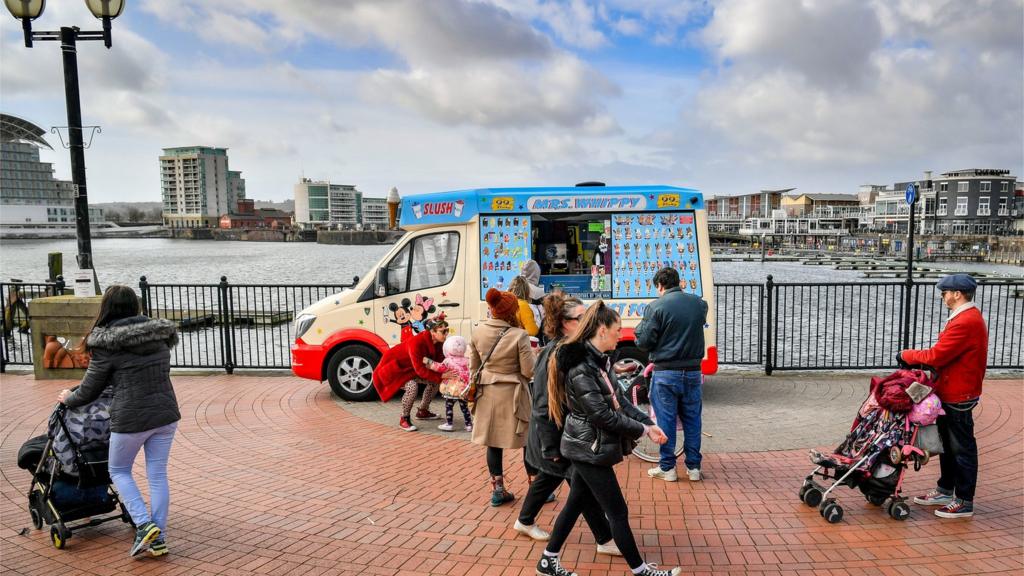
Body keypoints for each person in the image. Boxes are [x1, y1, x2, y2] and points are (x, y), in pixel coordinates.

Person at [537, 301, 679, 576]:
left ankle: (547, 560)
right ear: (601, 330)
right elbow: (603, 415)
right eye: (616, 329)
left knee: (576, 502)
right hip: (588, 447)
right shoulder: (581, 366)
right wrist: (643, 430)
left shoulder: (598, 361)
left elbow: (620, 400)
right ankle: (640, 571)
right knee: (617, 512)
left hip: (588, 445)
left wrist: (648, 422)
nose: (621, 334)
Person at [57, 285, 180, 559]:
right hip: (166, 413)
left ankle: (144, 523)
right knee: (157, 475)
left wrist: (68, 397)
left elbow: (89, 389)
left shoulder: (106, 344)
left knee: (119, 471)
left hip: (131, 418)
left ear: (108, 308)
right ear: (135, 307)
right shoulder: (159, 336)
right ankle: (158, 537)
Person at [514, 294, 620, 557]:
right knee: (580, 484)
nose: (589, 322)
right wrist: (550, 446)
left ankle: (525, 520)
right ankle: (604, 537)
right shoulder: (556, 353)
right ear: (565, 323)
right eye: (582, 318)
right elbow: (542, 403)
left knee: (550, 478)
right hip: (555, 435)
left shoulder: (574, 348)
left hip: (562, 435)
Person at [900, 274, 988, 519]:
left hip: (959, 393)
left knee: (961, 447)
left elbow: (937, 355)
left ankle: (964, 500)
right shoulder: (966, 318)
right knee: (948, 444)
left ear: (957, 294)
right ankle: (945, 489)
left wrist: (907, 354)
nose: (942, 296)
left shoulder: (965, 321)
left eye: (945, 292)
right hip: (953, 390)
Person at [635, 266, 708, 483]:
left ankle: (668, 468)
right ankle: (694, 468)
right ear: (678, 282)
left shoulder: (655, 307)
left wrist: (641, 329)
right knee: (693, 420)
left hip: (666, 372)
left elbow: (644, 341)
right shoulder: (698, 304)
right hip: (694, 371)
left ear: (660, 285)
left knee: (666, 420)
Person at [471, 288, 535, 506]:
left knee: (493, 442)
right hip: (514, 394)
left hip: (487, 393)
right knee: (527, 440)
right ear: (512, 312)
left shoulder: (478, 331)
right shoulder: (519, 335)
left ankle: (498, 489)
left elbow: (474, 367)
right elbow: (528, 371)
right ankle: (535, 488)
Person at [372, 317, 452, 432]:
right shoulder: (417, 342)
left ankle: (422, 411)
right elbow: (420, 370)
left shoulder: (438, 343)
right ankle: (404, 418)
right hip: (395, 370)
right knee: (412, 387)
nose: (446, 334)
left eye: (447, 330)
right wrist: (441, 376)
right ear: (432, 332)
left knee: (434, 382)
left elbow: (439, 361)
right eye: (443, 331)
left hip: (410, 369)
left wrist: (454, 369)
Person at [425, 334, 473, 432]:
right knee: (464, 407)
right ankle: (469, 425)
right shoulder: (467, 360)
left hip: (451, 389)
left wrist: (428, 362)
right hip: (463, 388)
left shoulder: (448, 361)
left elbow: (439, 367)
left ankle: (449, 424)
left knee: (449, 406)